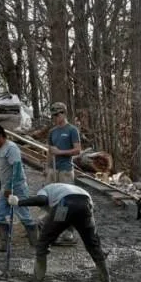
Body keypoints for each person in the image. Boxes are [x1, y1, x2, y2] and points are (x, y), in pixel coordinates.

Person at [16, 181, 110, 282]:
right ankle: (106, 280)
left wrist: (19, 202)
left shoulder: (46, 189)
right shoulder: (67, 189)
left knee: (43, 243)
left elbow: (42, 200)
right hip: (86, 204)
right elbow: (76, 220)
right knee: (93, 243)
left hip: (64, 204)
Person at [0, 123, 39, 254]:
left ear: (0, 136)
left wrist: (10, 188)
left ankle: (37, 244)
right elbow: (3, 172)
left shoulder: (11, 148)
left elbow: (17, 169)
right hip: (6, 188)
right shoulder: (0, 150)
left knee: (24, 216)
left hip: (17, 188)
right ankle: (3, 244)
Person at [47, 103, 82, 245]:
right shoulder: (52, 132)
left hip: (66, 170)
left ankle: (69, 232)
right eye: (53, 115)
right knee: (52, 199)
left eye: (57, 114)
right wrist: (47, 166)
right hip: (53, 170)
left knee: (66, 201)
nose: (55, 118)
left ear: (64, 113)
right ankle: (55, 229)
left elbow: (78, 150)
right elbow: (50, 150)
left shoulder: (72, 130)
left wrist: (60, 152)